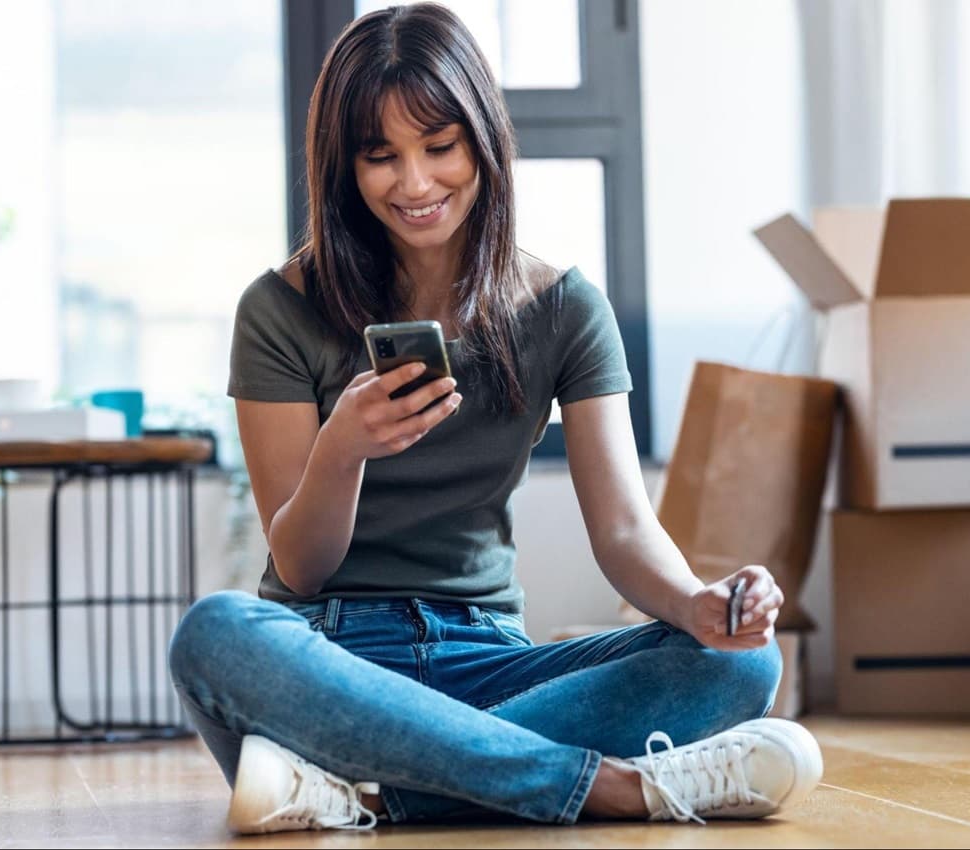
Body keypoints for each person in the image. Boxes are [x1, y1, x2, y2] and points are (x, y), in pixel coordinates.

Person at [169, 2, 822, 835]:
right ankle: (611, 788)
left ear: (484, 139)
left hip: (490, 663)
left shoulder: (565, 309)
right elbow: (299, 569)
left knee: (742, 660)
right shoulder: (278, 309)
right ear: (343, 167)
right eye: (381, 157)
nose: (414, 183)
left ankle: (360, 794)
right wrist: (342, 451)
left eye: (439, 148)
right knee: (217, 631)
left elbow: (624, 531)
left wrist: (699, 604)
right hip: (329, 662)